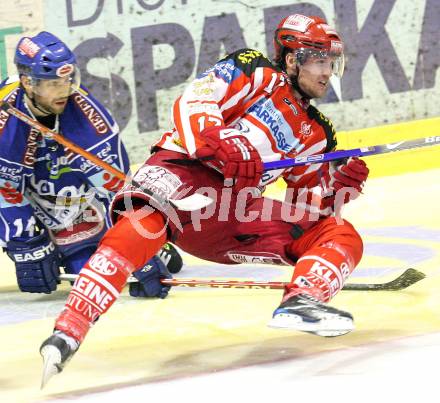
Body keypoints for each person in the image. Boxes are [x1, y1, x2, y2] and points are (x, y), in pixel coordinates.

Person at [39, 15, 369, 385]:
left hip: (229, 215)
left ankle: (301, 299)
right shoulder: (253, 69)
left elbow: (307, 205)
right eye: (319, 61)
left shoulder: (318, 132)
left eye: (331, 63)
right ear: (292, 60)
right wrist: (218, 141)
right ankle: (69, 329)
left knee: (340, 234)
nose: (327, 72)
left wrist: (338, 186)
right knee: (140, 228)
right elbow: (194, 99)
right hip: (182, 172)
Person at [0, 31, 182, 297]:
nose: (64, 91)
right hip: (27, 196)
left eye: (67, 80)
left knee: (92, 273)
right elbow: (5, 190)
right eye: (53, 84)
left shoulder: (92, 124)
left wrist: (135, 244)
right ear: (28, 83)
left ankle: (144, 244)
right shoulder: (6, 121)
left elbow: (116, 191)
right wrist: (26, 244)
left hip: (77, 207)